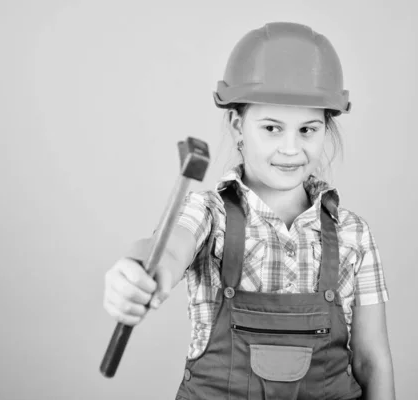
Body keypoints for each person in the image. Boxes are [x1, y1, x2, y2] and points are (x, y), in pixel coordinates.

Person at [103, 22, 395, 400]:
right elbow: (168, 249)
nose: (291, 149)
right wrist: (135, 273)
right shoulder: (211, 214)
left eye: (308, 129)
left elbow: (373, 362)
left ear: (326, 127)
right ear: (238, 126)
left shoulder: (353, 234)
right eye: (272, 128)